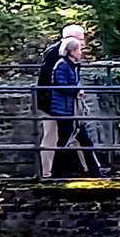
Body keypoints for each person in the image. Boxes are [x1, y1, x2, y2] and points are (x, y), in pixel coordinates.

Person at [49, 37, 109, 177]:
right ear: (71, 51)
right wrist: (76, 90)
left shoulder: (71, 64)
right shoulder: (63, 65)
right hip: (64, 109)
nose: (81, 52)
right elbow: (59, 84)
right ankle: (57, 174)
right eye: (79, 49)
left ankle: (93, 172)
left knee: (80, 139)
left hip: (70, 108)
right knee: (67, 139)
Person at [35, 24, 87, 179]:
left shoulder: (67, 56)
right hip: (53, 103)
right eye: (80, 39)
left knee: (78, 134)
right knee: (52, 136)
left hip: (65, 103)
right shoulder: (56, 54)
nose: (83, 43)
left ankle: (91, 168)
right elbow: (51, 80)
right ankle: (47, 172)